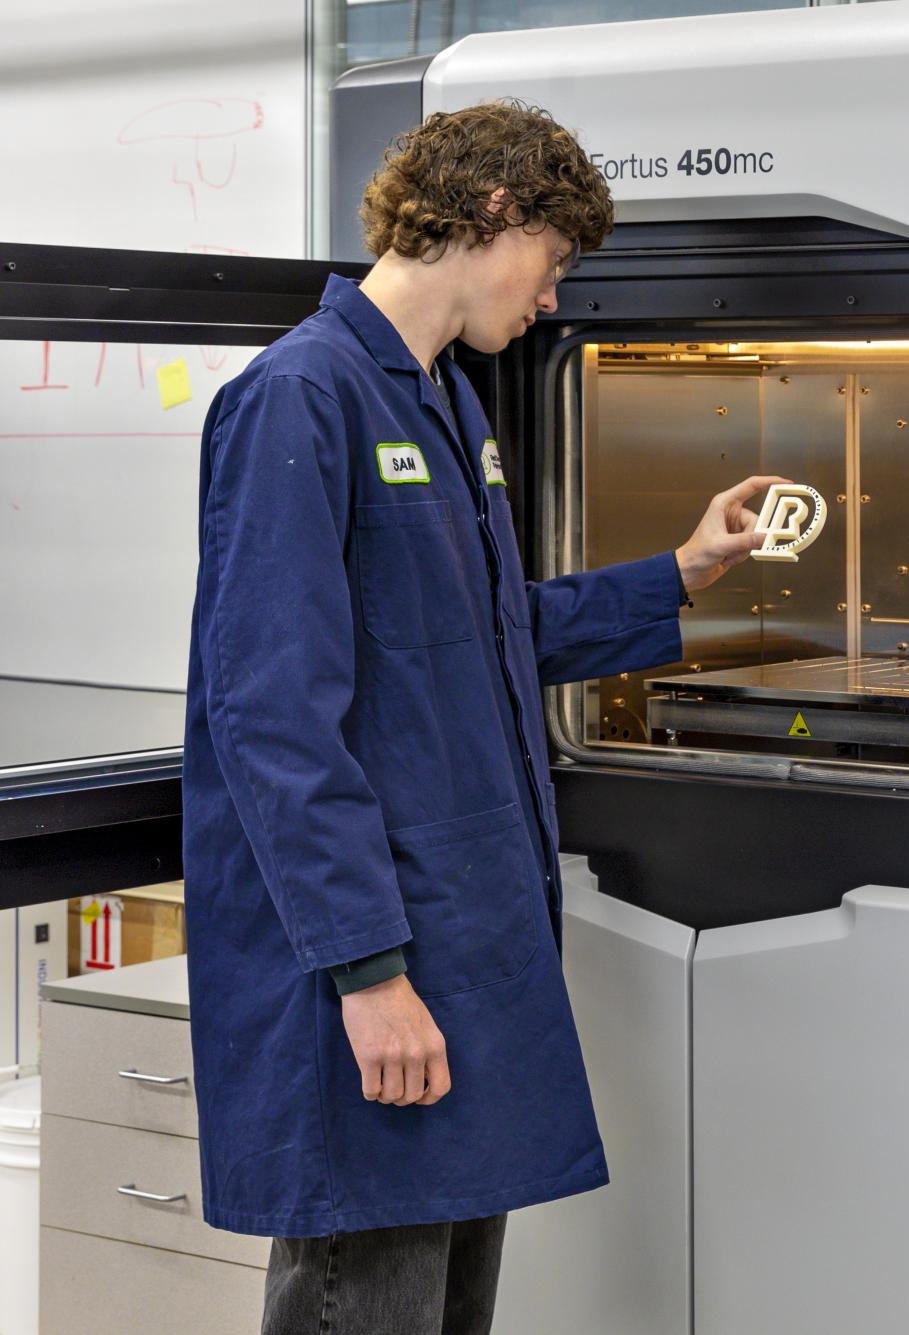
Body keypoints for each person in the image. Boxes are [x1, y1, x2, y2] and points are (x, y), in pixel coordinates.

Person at [182, 101, 781, 1334]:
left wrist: (678, 574)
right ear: (495, 210)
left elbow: (483, 630)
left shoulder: (444, 404)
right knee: (365, 1296)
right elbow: (274, 713)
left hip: (459, 948)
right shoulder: (300, 400)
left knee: (449, 1302)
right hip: (376, 955)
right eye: (555, 261)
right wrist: (367, 972)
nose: (553, 298)